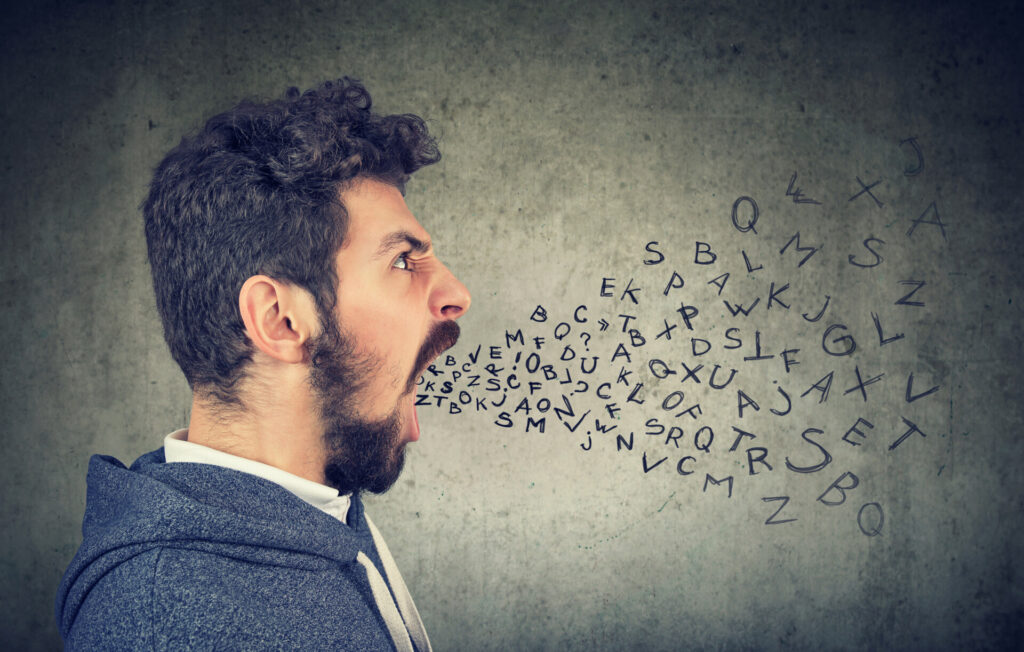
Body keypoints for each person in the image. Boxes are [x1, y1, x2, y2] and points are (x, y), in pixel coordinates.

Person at [55, 78, 470, 651]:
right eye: (403, 261)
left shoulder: (317, 508)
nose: (455, 293)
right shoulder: (166, 624)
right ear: (279, 320)